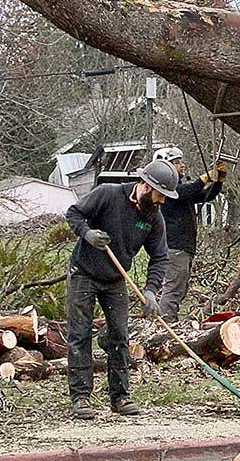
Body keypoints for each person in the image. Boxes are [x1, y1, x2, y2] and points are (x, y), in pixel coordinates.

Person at [63, 159, 177, 419]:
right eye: (161, 195)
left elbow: (160, 257)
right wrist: (87, 233)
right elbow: (73, 213)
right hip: (84, 273)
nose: (162, 202)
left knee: (119, 336)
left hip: (115, 279)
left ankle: (120, 397)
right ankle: (81, 398)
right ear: (146, 186)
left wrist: (150, 289)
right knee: (80, 335)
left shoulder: (153, 218)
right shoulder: (108, 195)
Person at [154, 146, 227, 322]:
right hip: (175, 248)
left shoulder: (178, 191)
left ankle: (168, 320)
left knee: (180, 288)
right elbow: (190, 190)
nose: (182, 165)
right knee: (173, 288)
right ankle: (166, 323)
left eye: (180, 162)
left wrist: (219, 180)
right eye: (176, 162)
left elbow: (205, 195)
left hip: (183, 248)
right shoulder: (167, 190)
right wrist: (207, 177)